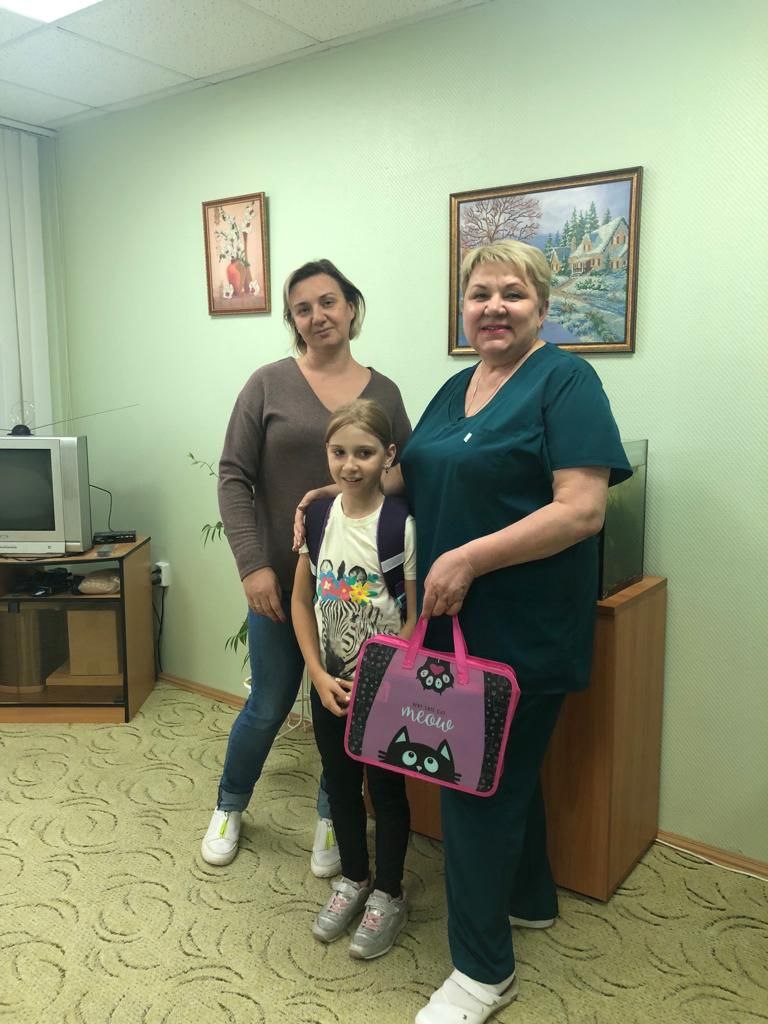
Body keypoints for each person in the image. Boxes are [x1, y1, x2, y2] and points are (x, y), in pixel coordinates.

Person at [295, 239, 631, 1022]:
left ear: (542, 305)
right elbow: (408, 472)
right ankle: (530, 898)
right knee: (507, 773)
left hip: (523, 626)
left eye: (512, 294)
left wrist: (470, 557)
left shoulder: (567, 381)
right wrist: (337, 492)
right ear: (464, 308)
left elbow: (582, 508)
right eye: (480, 295)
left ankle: (483, 974)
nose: (494, 308)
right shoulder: (458, 388)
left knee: (475, 790)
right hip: (453, 626)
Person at [201, 260, 411, 876]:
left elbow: (405, 473)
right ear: (292, 320)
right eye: (302, 308)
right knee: (268, 704)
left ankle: (332, 815)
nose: (317, 315)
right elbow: (233, 476)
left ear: (351, 306)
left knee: (341, 705)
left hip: (358, 594)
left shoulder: (384, 392)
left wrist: (336, 492)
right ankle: (229, 805)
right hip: (282, 584)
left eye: (328, 302)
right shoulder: (267, 384)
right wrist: (251, 566)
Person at [291, 398, 417, 959]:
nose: (349, 464)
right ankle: (353, 879)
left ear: (387, 455)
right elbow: (301, 601)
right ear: (327, 453)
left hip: (384, 688)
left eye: (364, 453)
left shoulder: (399, 525)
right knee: (339, 784)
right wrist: (317, 672)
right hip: (330, 685)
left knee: (386, 792)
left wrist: (386, 680)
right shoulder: (319, 519)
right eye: (338, 452)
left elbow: (414, 615)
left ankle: (388, 892)